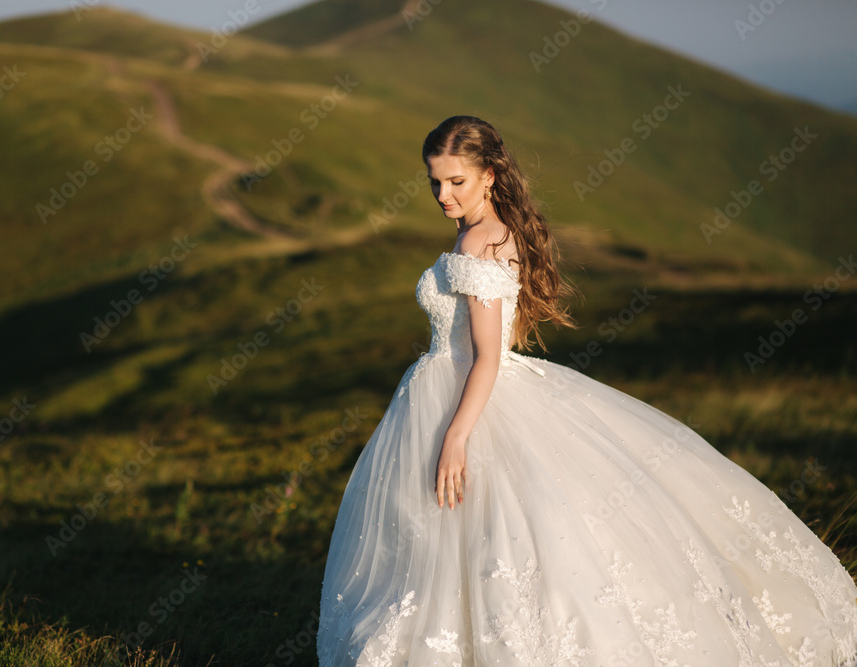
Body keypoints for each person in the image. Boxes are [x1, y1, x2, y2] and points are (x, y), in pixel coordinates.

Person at [316, 115, 857, 666]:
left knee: (473, 532)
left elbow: (484, 358)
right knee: (476, 537)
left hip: (470, 398)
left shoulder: (481, 240)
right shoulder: (485, 230)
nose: (442, 194)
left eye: (456, 181)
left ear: (489, 176)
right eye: (435, 181)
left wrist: (456, 435)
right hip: (456, 390)